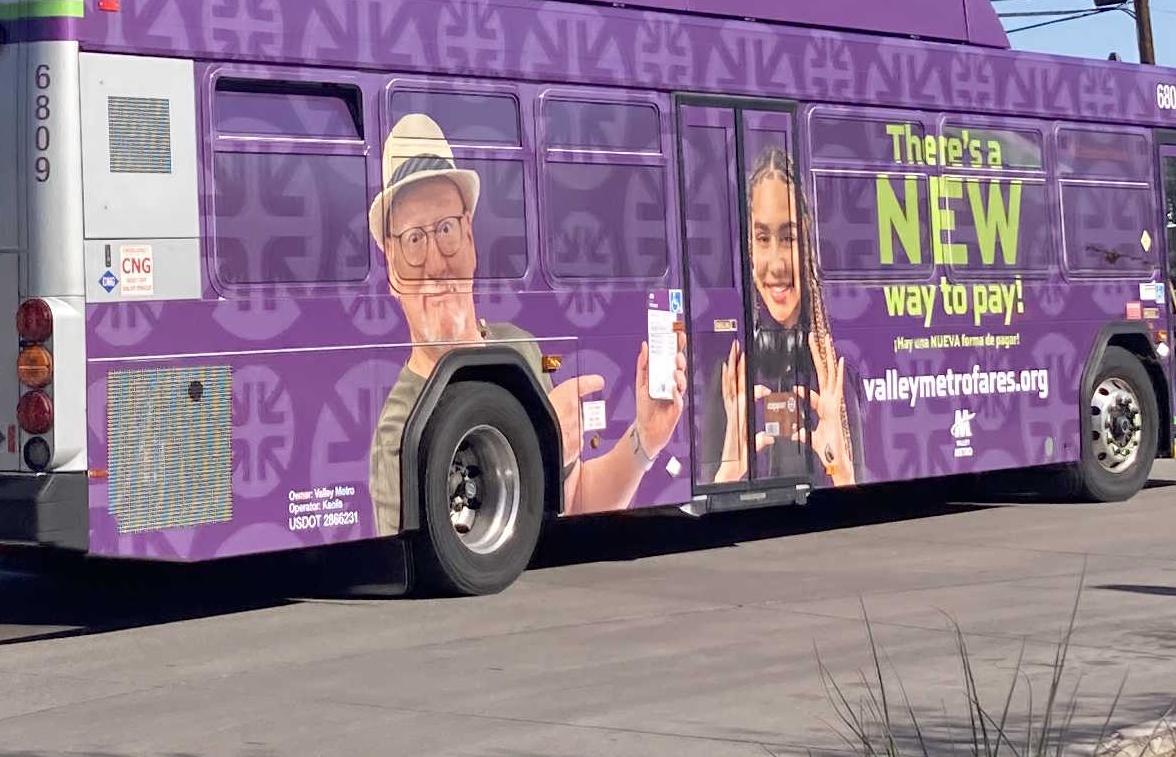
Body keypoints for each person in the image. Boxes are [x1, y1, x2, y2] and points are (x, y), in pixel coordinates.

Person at [366, 113, 683, 534]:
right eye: (413, 241)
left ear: (471, 240)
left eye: (446, 229)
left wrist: (644, 441)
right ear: (391, 271)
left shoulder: (519, 348)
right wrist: (541, 446)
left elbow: (578, 500)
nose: (435, 262)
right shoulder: (396, 433)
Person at [707, 145, 861, 488]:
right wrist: (727, 475)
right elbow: (705, 499)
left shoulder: (834, 374)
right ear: (749, 243)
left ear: (806, 234)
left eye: (788, 237)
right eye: (763, 238)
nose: (776, 265)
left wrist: (840, 469)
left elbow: (856, 502)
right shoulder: (730, 377)